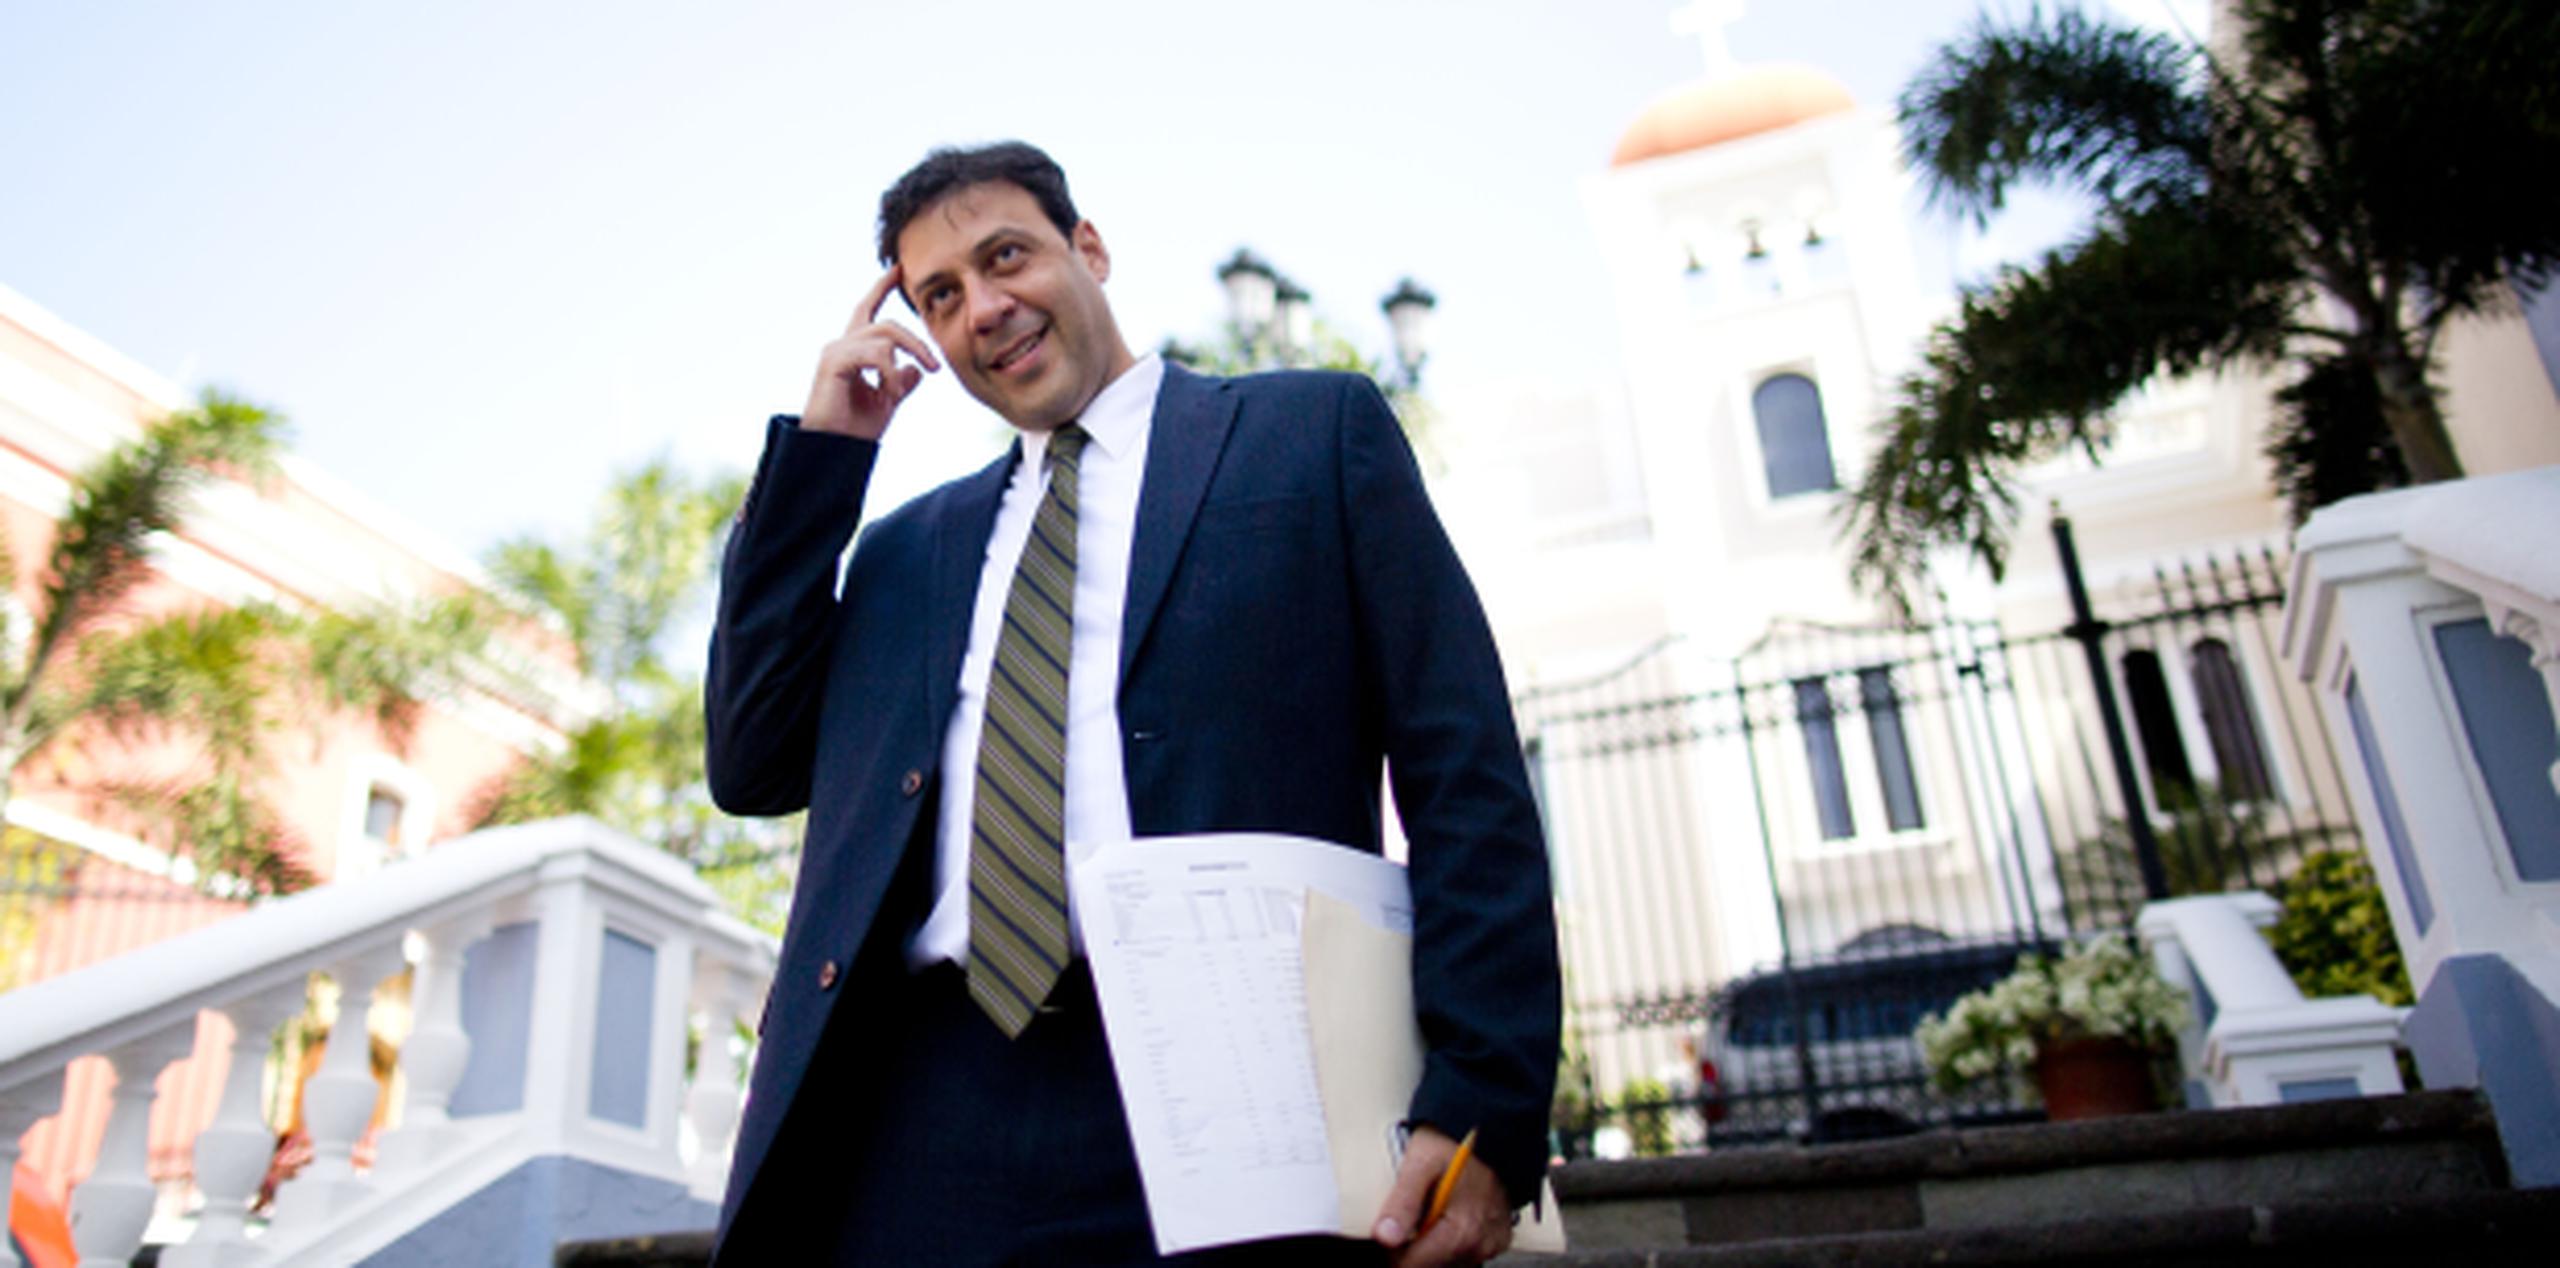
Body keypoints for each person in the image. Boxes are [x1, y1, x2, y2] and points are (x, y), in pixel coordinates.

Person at [704, 140, 1559, 1267]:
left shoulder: (1312, 435)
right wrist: (824, 460)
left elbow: (1466, 773)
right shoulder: (909, 549)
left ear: (1089, 248)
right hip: (923, 1115)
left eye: (1006, 255)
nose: (984, 308)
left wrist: (1484, 1090)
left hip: (1237, 1091)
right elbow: (752, 758)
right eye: (939, 295)